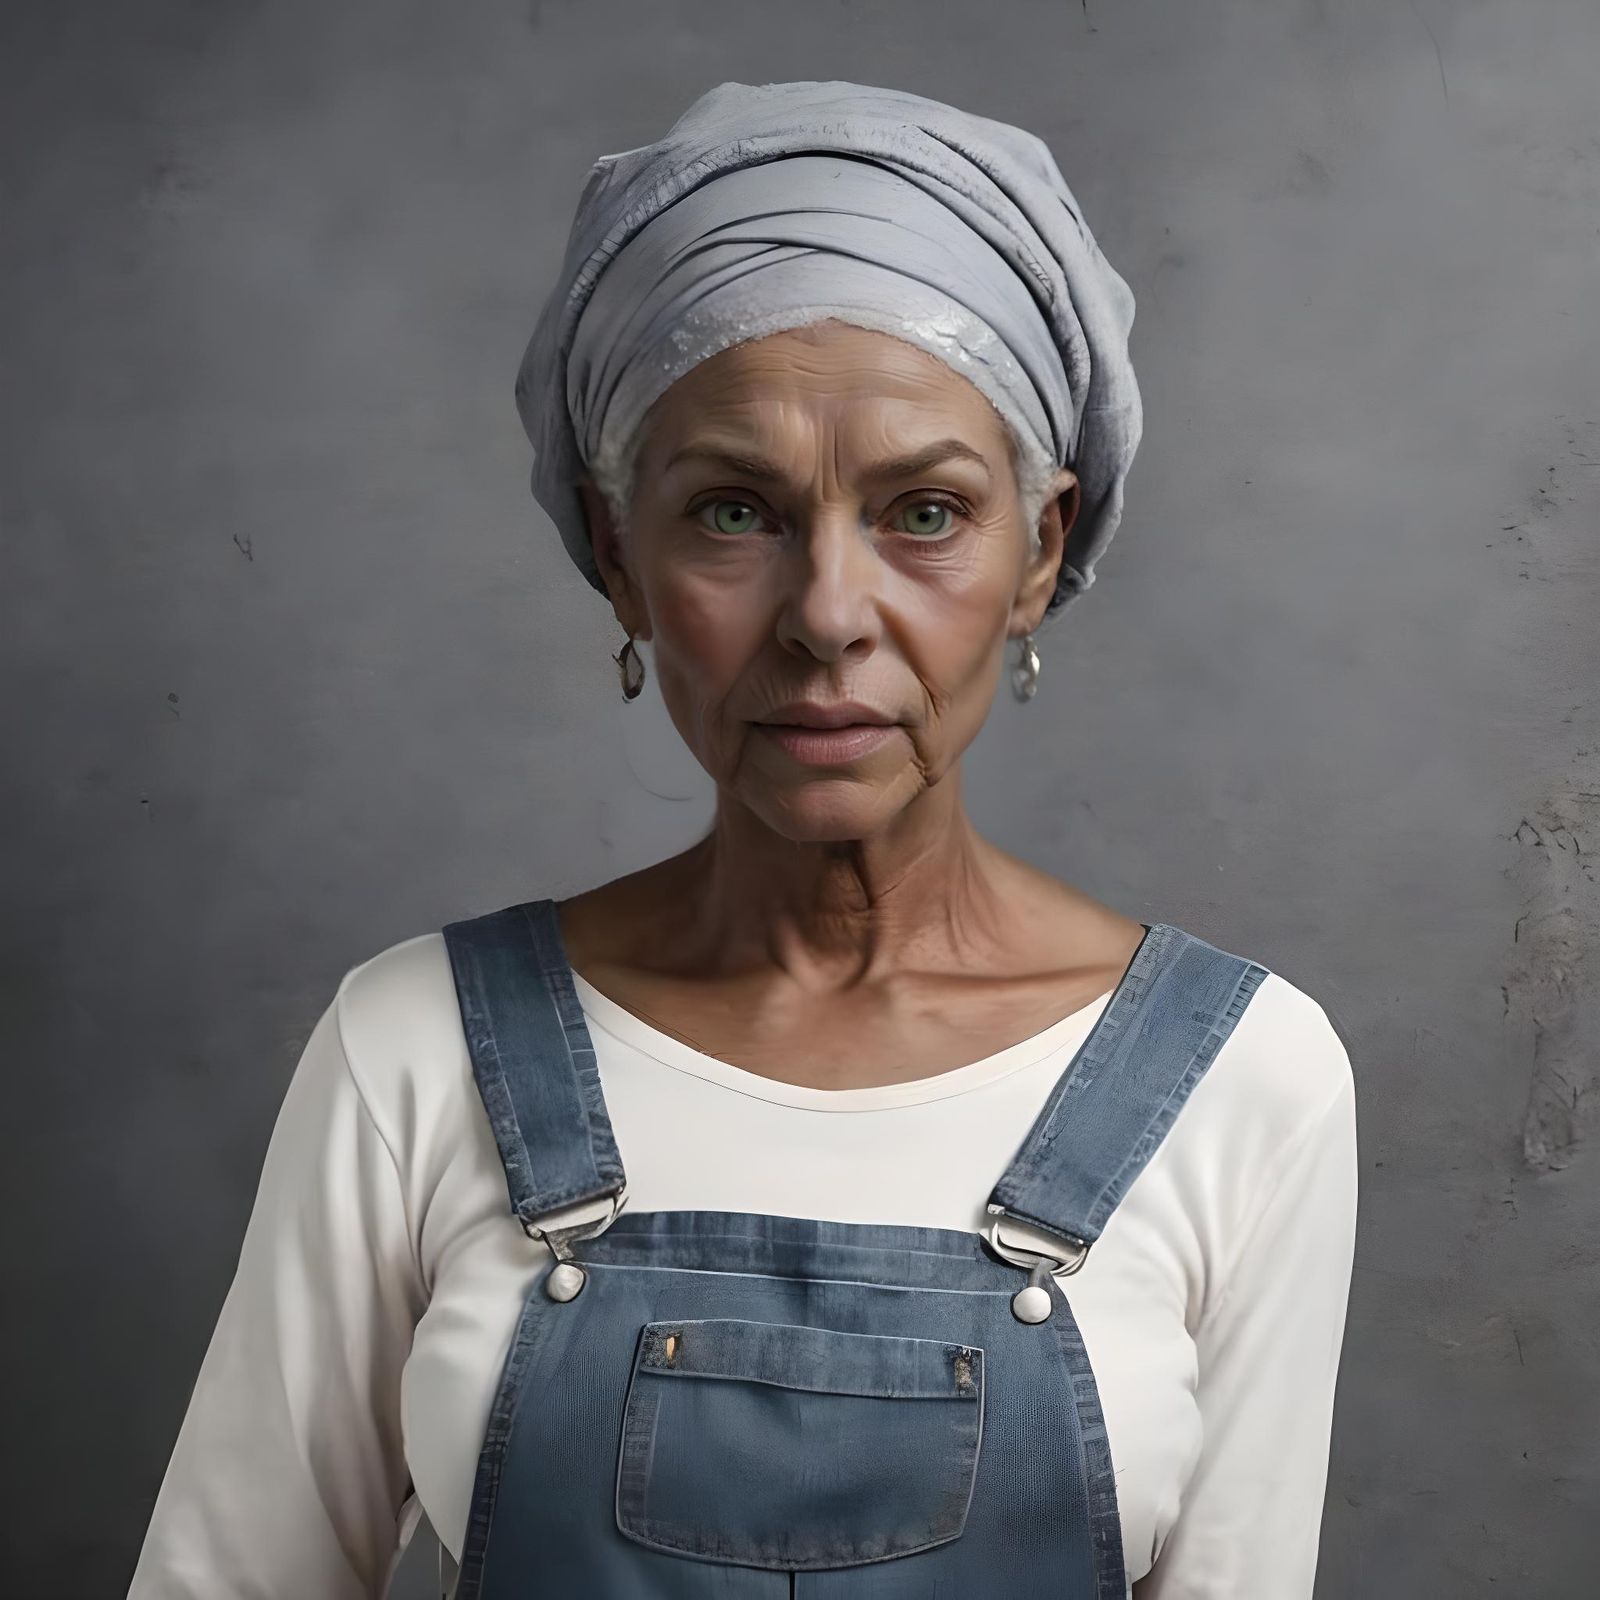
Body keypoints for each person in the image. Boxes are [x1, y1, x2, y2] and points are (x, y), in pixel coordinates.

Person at [127, 79, 1358, 1600]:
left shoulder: (1241, 1080)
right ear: (615, 552)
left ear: (1040, 550)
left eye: (924, 512)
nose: (830, 616)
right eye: (732, 512)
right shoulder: (413, 1051)